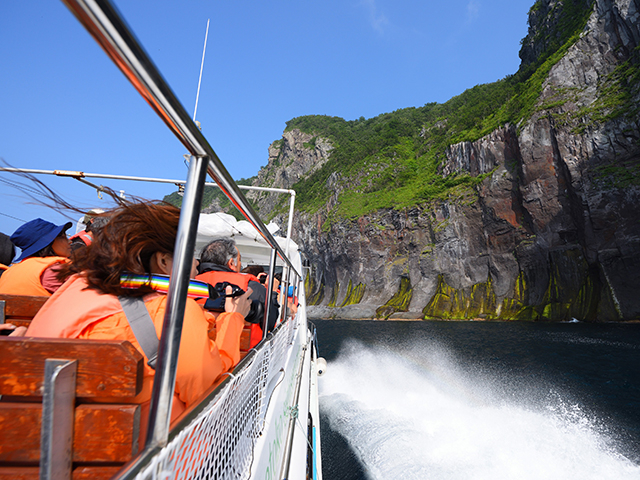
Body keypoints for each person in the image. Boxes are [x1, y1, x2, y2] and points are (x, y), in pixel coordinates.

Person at [26, 202, 251, 430]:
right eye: (188, 254)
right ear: (163, 261)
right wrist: (233, 319)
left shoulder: (72, 288)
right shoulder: (172, 312)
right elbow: (211, 393)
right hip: (159, 458)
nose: (195, 264)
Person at [196, 238, 280, 345]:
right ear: (231, 263)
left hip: (193, 351)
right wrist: (272, 292)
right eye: (240, 260)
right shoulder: (251, 287)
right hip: (243, 358)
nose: (241, 265)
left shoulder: (189, 285)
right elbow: (270, 322)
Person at [0, 218, 72, 296]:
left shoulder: (9, 272)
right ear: (47, 243)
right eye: (62, 237)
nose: (70, 241)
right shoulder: (54, 270)